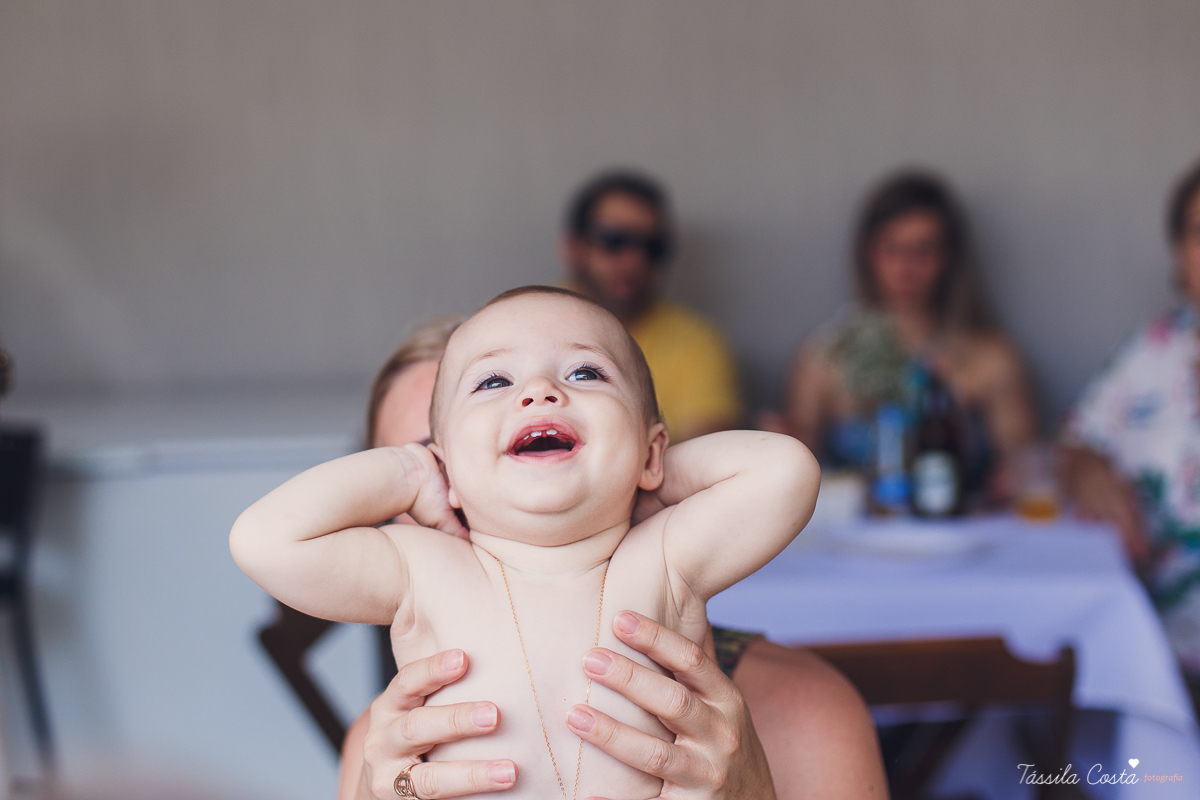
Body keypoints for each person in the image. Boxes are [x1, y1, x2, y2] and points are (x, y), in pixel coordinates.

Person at [231, 286, 824, 799]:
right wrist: (410, 470)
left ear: (651, 451)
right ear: (445, 469)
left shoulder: (662, 555)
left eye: (585, 373)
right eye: (493, 381)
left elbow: (786, 473)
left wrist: (646, 472)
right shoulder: (424, 568)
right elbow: (265, 540)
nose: (540, 390)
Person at [341, 317, 886, 800]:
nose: (532, 398)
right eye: (424, 471)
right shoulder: (380, 749)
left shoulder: (803, 711)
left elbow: (783, 472)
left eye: (544, 447)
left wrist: (632, 474)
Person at [783, 171, 1035, 496]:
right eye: (893, 248)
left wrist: (1011, 474)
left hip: (960, 523)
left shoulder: (993, 357)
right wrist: (789, 444)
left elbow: (1026, 466)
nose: (907, 266)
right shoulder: (821, 356)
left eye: (924, 250)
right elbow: (795, 468)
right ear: (868, 252)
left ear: (949, 257)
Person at [1061, 158, 1200, 685]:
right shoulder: (1157, 347)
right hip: (1157, 652)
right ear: (1179, 254)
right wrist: (1091, 473)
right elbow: (1078, 441)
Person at [563, 171, 743, 442]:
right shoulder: (524, 321)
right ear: (573, 247)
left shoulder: (698, 342)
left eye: (653, 246)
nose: (634, 261)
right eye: (613, 240)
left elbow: (710, 447)